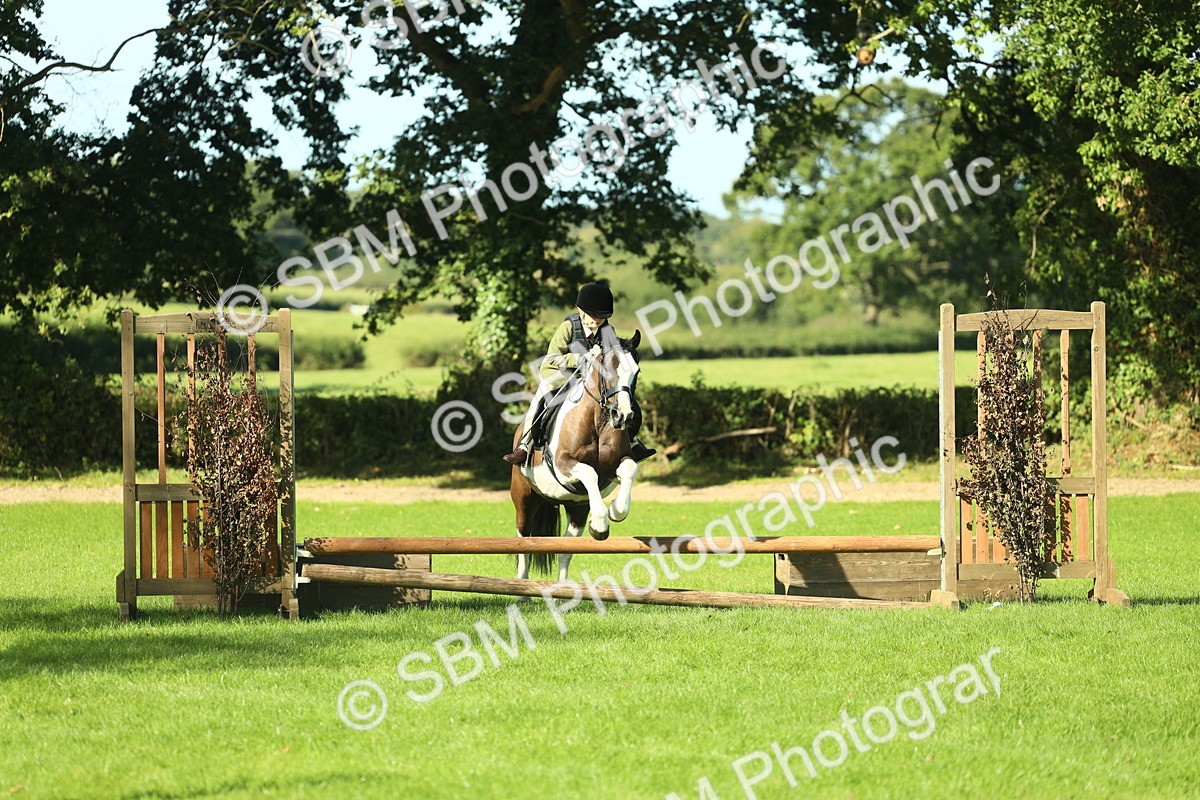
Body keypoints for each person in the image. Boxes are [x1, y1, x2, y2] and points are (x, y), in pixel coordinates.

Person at [503, 282, 657, 465]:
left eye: (602, 317)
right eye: (593, 316)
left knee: (622, 398)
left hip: (591, 379)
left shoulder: (609, 331)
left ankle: (631, 441)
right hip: (560, 375)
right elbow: (551, 358)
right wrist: (579, 358)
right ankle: (524, 445)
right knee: (542, 394)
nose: (596, 320)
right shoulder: (568, 327)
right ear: (580, 310)